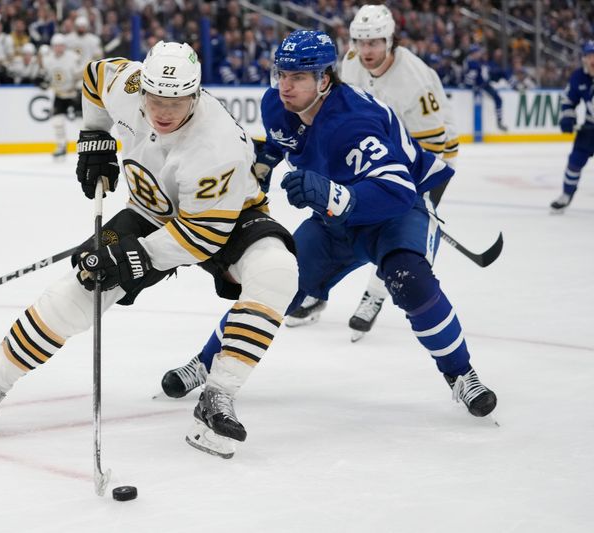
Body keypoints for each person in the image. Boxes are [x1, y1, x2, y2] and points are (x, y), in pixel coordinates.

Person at [0, 41, 299, 459]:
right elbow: (94, 77)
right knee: (80, 288)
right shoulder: (128, 84)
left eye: (178, 100)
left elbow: (202, 238)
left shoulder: (216, 145)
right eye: (155, 98)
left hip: (228, 220)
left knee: (277, 271)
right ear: (143, 88)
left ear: (196, 94)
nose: (164, 111)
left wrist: (137, 256)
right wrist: (94, 135)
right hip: (151, 213)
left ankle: (218, 395)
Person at [161, 30, 497, 421]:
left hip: (395, 212)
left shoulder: (355, 122)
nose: (285, 86)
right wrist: (265, 160)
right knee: (273, 279)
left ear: (324, 79)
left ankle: (461, 374)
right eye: (281, 74)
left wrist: (337, 195)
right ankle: (206, 362)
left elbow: (398, 190)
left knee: (409, 278)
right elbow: (279, 141)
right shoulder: (276, 105)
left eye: (298, 77)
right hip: (334, 218)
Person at [287, 4, 460, 340]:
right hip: (378, 151)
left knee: (393, 234)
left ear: (390, 41)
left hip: (427, 158)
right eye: (360, 42)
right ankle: (314, 288)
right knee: (340, 217)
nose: (366, 51)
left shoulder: (415, 79)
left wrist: (404, 197)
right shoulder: (349, 62)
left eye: (374, 43)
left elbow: (433, 147)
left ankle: (375, 294)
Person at [551, 40, 594, 213]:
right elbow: (569, 99)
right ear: (584, 58)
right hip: (590, 128)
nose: (593, 59)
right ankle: (566, 195)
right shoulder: (579, 76)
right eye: (590, 55)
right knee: (574, 162)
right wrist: (567, 117)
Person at [39, 33, 83, 159]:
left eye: (61, 45)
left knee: (81, 122)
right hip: (59, 94)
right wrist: (43, 81)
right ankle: (61, 145)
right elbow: (46, 75)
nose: (59, 48)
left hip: (73, 93)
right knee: (57, 121)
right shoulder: (48, 59)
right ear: (53, 47)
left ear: (65, 46)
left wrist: (79, 88)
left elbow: (79, 74)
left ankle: (89, 144)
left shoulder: (72, 57)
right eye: (56, 46)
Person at [463, 44, 508, 132]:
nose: (480, 54)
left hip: (482, 85)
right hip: (479, 86)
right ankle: (499, 121)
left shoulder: (478, 62)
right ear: (473, 53)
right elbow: (469, 79)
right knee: (495, 99)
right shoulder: (471, 62)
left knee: (498, 99)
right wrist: (473, 86)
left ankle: (499, 121)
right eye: (478, 52)